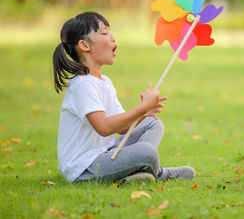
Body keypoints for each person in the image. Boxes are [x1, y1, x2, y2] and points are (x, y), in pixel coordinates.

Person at [53, 12, 195, 183]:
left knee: (152, 123)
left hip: (106, 155)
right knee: (147, 152)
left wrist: (145, 112)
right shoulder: (82, 85)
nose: (112, 38)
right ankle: (159, 174)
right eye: (105, 33)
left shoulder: (104, 81)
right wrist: (142, 108)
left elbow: (122, 128)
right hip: (85, 169)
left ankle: (132, 177)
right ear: (84, 45)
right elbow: (104, 127)